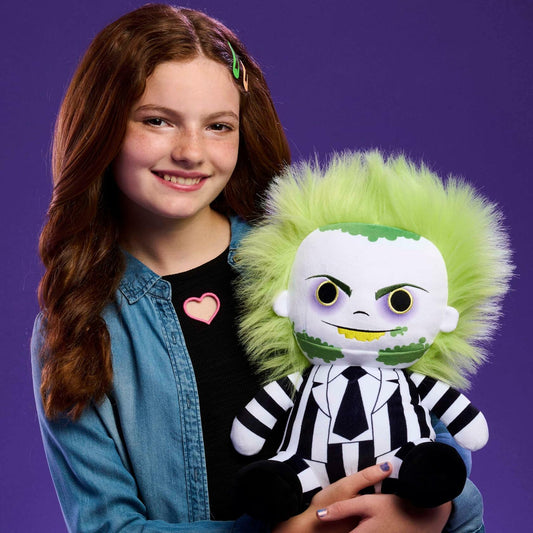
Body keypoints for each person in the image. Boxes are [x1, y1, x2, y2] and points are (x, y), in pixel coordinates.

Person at [31, 4, 484, 532]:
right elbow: (106, 526)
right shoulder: (77, 322)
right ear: (102, 124)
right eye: (157, 120)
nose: (191, 152)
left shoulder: (307, 264)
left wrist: (436, 508)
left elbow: (424, 423)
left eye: (218, 126)